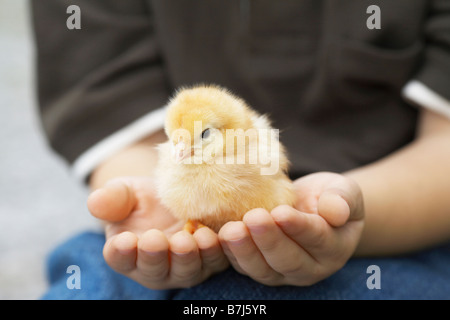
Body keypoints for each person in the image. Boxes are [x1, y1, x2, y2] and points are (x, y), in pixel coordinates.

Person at [32, 0, 450, 299]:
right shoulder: (182, 148)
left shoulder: (253, 148)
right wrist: (146, 203)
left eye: (199, 139)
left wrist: (331, 217)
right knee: (89, 285)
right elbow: (114, 112)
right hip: (160, 248)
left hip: (397, 228)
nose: (181, 151)